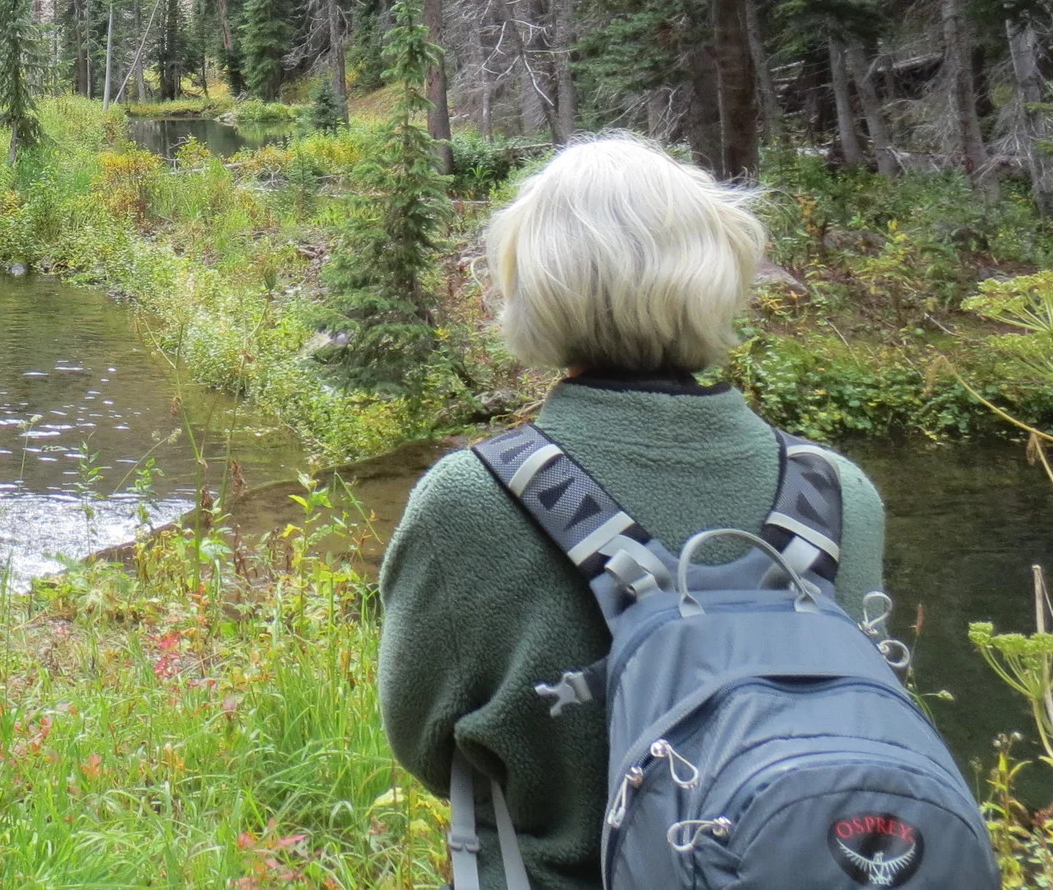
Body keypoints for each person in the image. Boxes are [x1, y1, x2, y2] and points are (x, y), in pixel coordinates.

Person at [378, 134, 886, 890]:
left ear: (533, 287)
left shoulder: (468, 498)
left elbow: (424, 743)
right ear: (720, 272)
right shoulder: (842, 493)